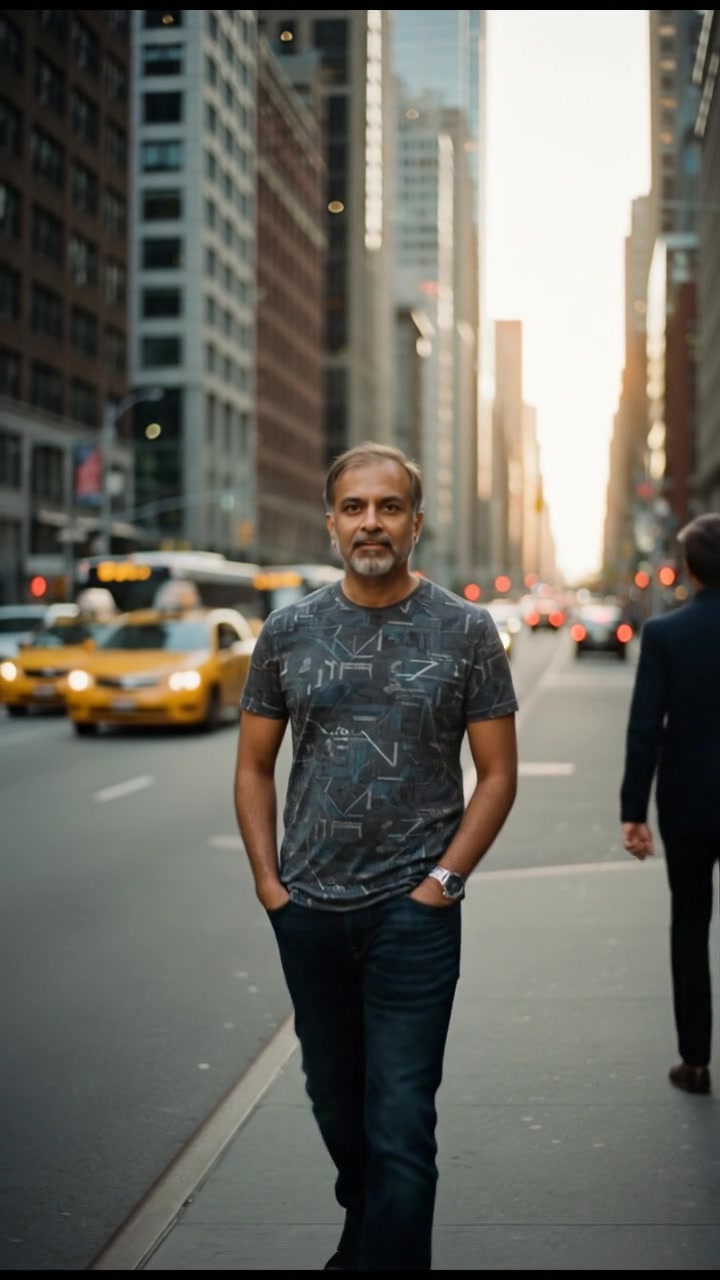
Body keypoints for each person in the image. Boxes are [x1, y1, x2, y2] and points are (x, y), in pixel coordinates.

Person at [233, 442, 518, 1270]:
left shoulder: (466, 630)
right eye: (354, 508)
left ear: (415, 522)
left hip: (413, 915)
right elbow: (253, 766)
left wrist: (443, 883)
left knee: (401, 1118)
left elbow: (497, 775)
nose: (371, 522)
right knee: (335, 1103)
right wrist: (269, 887)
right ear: (331, 523)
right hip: (310, 910)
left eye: (388, 507)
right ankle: (365, 1222)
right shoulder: (289, 631)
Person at [620, 511, 720, 1097]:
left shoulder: (665, 634)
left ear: (687, 568)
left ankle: (696, 1062)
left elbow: (644, 729)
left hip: (688, 806)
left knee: (690, 925)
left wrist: (634, 811)